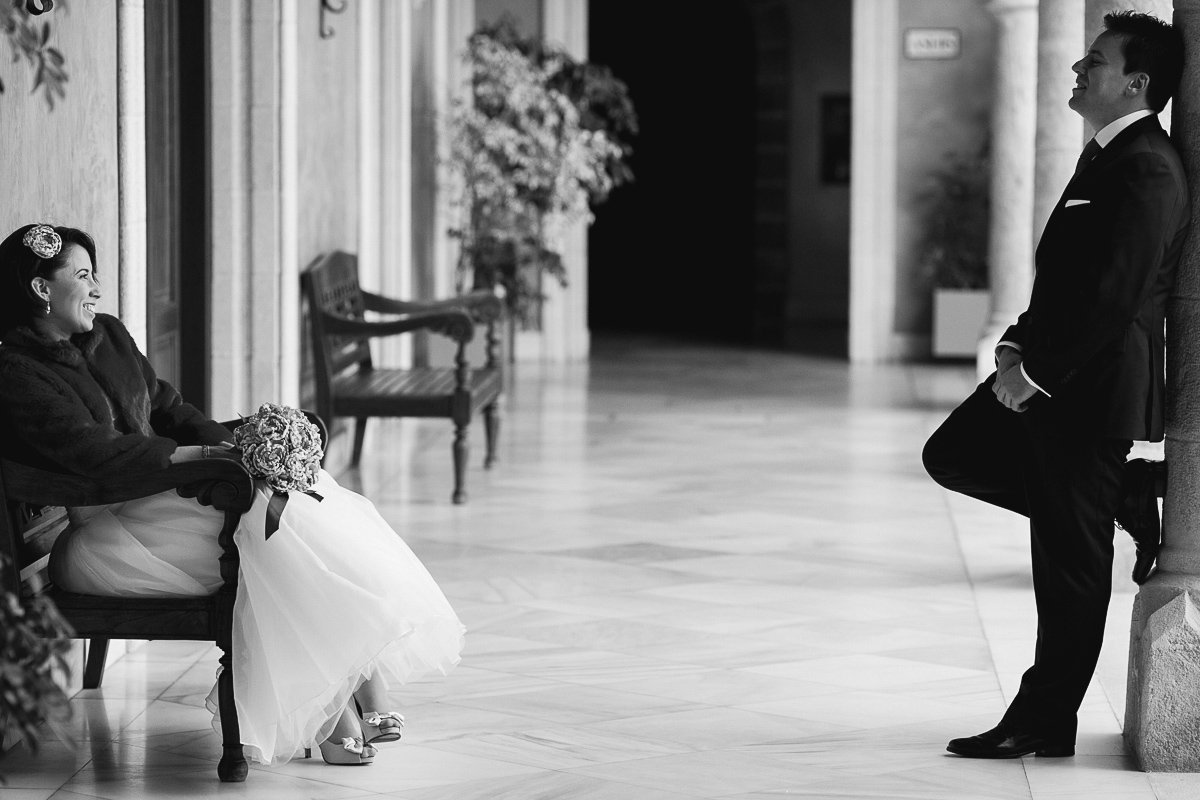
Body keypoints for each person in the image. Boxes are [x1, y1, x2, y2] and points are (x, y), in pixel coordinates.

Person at [0, 223, 465, 766]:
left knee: (294, 509)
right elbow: (92, 453)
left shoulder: (109, 335)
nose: (97, 287)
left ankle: (353, 698)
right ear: (41, 290)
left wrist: (243, 446)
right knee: (273, 542)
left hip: (159, 500)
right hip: (102, 535)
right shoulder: (16, 370)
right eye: (83, 276)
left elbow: (170, 408)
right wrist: (200, 460)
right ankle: (341, 713)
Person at [922, 11, 1189, 759]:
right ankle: (1129, 496)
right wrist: (1013, 345)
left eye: (1094, 62)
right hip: (1055, 374)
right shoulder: (1108, 156)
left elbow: (1114, 294)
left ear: (1135, 83)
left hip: (1089, 389)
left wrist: (1034, 375)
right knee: (956, 452)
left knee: (1068, 568)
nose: (1078, 69)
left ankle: (1044, 717)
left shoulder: (1148, 165)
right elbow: (1066, 283)